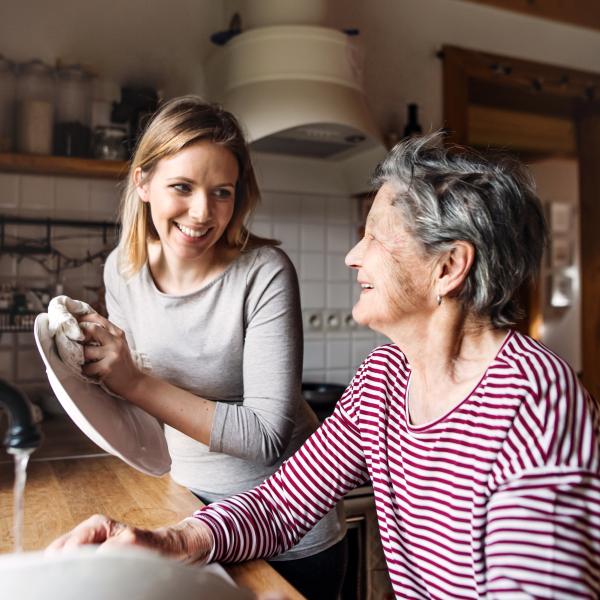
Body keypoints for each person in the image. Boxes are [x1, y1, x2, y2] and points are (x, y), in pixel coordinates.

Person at [50, 134, 600, 598]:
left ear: (449, 266)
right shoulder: (386, 377)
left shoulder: (537, 403)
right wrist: (168, 540)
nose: (352, 255)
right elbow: (283, 504)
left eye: (375, 238)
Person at [71, 96, 347, 599]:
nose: (203, 213)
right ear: (143, 182)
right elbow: (140, 409)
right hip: (187, 513)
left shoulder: (264, 274)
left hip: (288, 534)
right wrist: (87, 367)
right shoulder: (122, 271)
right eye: (182, 187)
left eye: (222, 192)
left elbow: (266, 436)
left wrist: (131, 379)